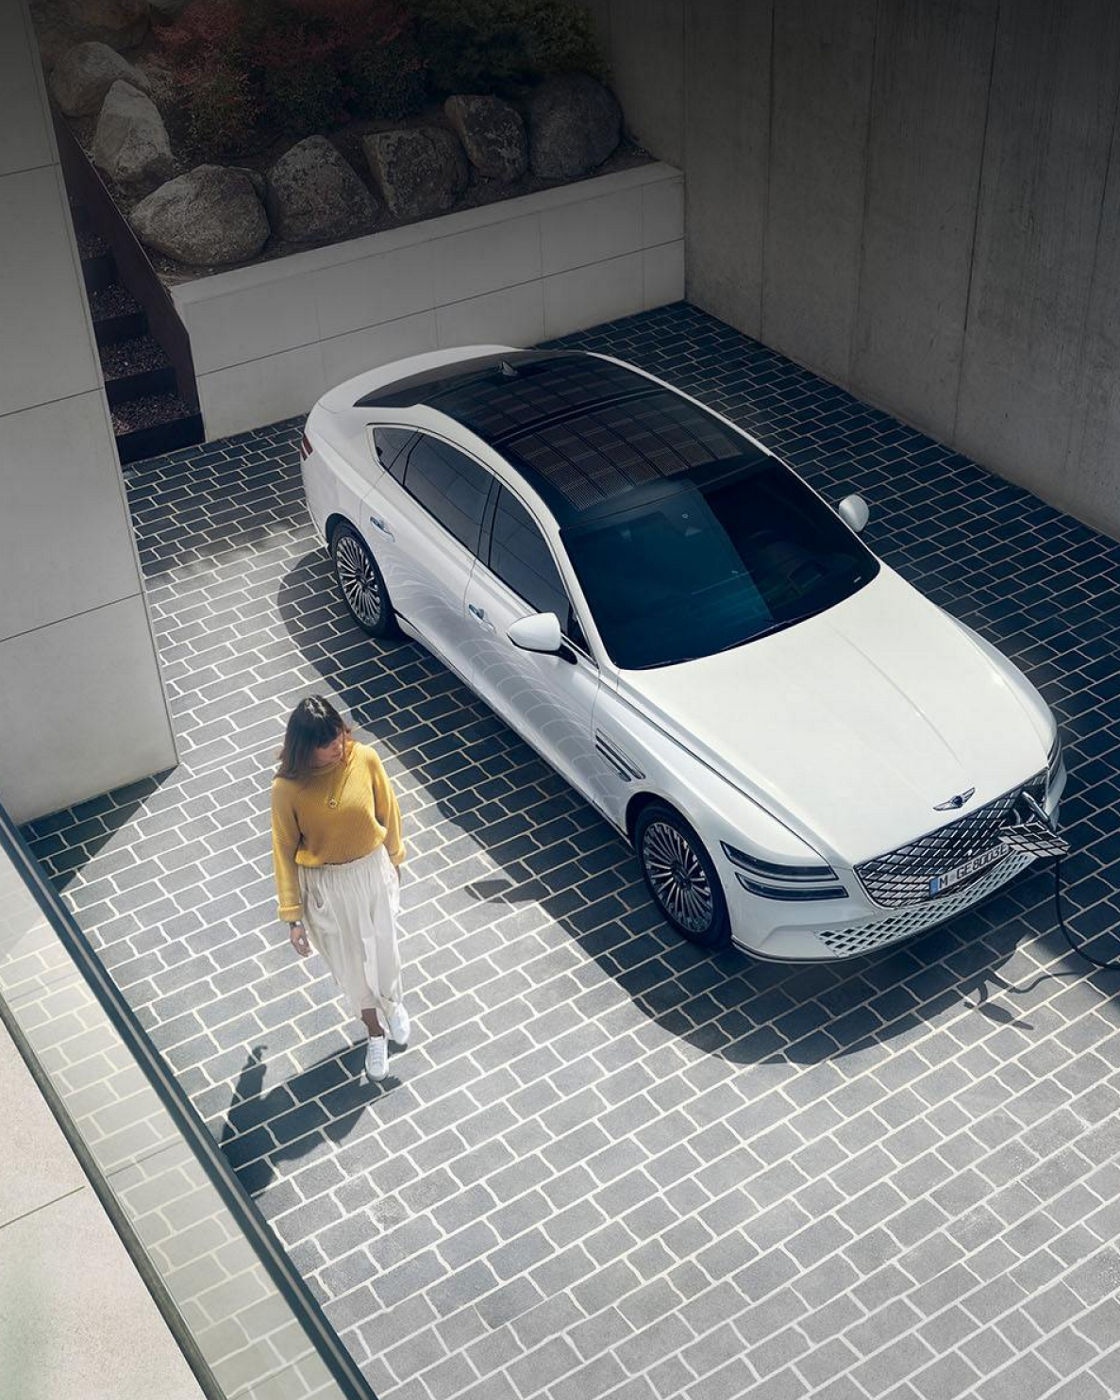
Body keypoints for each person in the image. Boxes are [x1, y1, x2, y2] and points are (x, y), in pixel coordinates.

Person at [270, 695, 407, 1082]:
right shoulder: (286, 790)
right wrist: (292, 918)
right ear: (305, 747)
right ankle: (374, 1032)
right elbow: (282, 852)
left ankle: (393, 1005)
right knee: (352, 970)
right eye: (328, 744)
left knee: (386, 953)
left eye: (341, 736)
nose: (339, 747)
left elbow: (388, 810)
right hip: (328, 888)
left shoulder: (364, 758)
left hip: (371, 872)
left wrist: (396, 858)